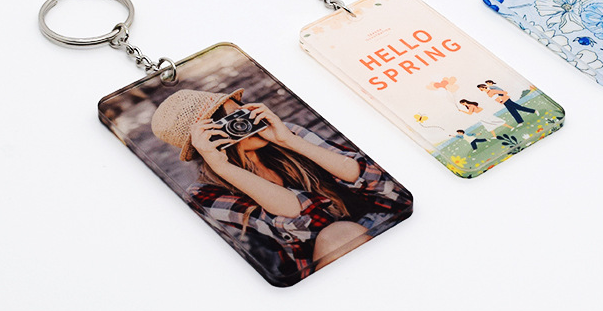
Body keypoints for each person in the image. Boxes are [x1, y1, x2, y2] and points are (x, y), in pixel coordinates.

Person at [151, 88, 410, 285]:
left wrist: (289, 141)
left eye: (241, 113)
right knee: (341, 234)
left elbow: (377, 180)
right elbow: (298, 216)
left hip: (382, 221)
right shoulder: (204, 194)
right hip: (327, 257)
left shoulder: (286, 135)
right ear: (207, 140)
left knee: (346, 231)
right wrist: (223, 167)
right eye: (228, 122)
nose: (245, 123)